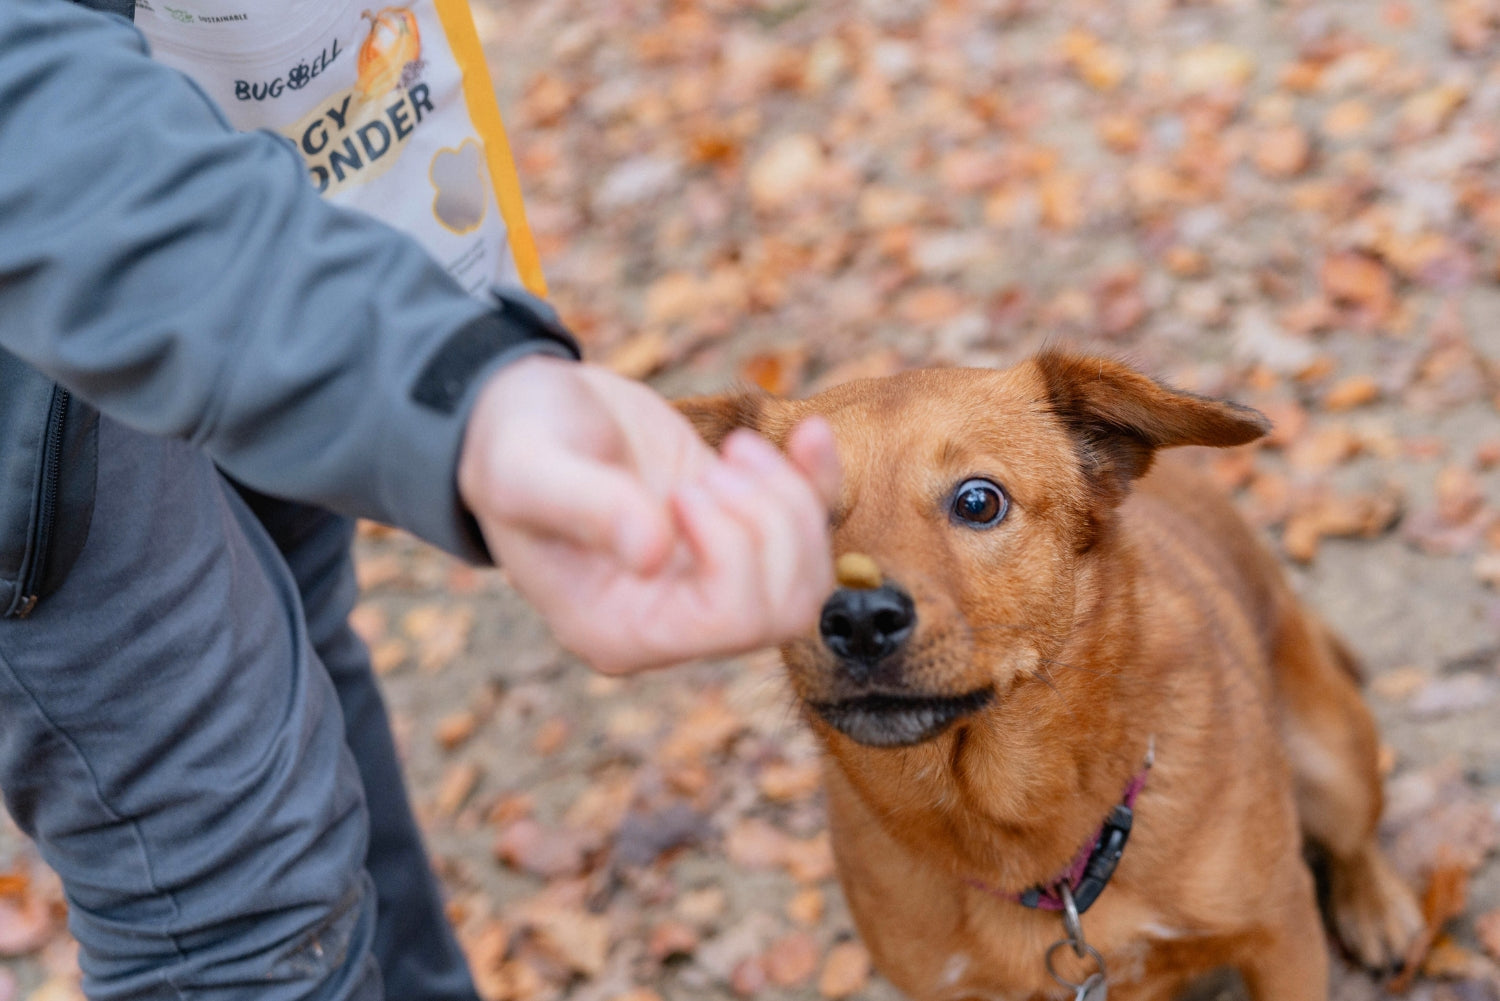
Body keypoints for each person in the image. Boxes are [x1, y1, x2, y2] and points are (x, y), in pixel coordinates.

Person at [0, 1, 839, 1000]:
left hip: (250, 88)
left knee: (300, 622)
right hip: (48, 215)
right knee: (225, 886)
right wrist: (456, 395)